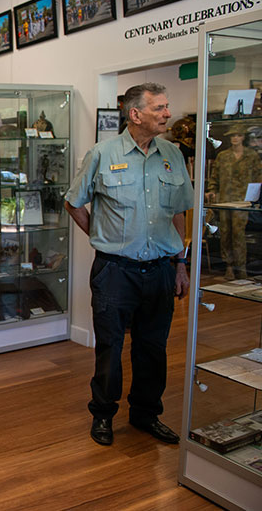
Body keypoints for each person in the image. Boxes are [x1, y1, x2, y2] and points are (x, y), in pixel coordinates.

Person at [64, 83, 193, 446]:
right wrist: (99, 236)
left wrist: (180, 264)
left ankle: (145, 414)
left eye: (167, 107)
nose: (168, 114)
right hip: (115, 271)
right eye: (160, 108)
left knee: (153, 347)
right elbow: (74, 202)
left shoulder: (173, 154)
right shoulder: (102, 154)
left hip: (160, 271)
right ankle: (103, 414)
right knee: (110, 347)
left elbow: (178, 211)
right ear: (135, 114)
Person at [206, 124, 262, 280]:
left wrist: (256, 197)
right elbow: (215, 176)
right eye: (232, 136)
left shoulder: (251, 156)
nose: (234, 138)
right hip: (225, 200)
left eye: (237, 135)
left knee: (238, 235)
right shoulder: (223, 156)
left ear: (243, 137)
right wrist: (211, 190)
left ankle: (241, 266)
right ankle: (229, 266)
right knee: (225, 234)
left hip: (243, 201)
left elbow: (258, 177)